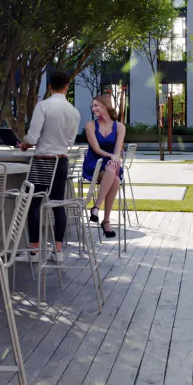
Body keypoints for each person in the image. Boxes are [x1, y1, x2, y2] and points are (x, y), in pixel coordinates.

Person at [19, 68, 80, 253]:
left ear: (50, 87)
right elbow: (70, 141)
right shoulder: (74, 112)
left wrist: (24, 144)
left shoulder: (43, 106)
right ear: (67, 88)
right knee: (58, 204)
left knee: (34, 203)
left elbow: (32, 138)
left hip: (43, 161)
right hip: (61, 160)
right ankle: (58, 250)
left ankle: (35, 249)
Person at [82, 89, 126, 239]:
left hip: (111, 165)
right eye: (93, 106)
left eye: (96, 106)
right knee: (114, 176)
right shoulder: (90, 125)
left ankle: (96, 207)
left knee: (114, 175)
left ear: (105, 106)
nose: (93, 109)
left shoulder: (120, 127)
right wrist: (112, 157)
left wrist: (114, 158)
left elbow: (117, 150)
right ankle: (106, 221)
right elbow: (96, 149)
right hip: (95, 163)